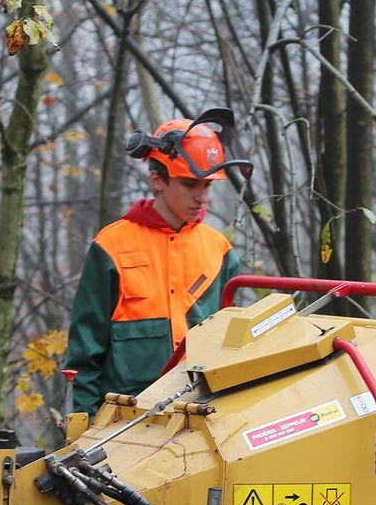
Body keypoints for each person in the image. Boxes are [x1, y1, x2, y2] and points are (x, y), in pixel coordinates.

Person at [63, 110, 251, 415]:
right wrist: (84, 426)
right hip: (123, 419)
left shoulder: (220, 250)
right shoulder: (111, 246)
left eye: (208, 185)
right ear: (157, 179)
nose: (202, 197)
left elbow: (228, 347)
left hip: (198, 414)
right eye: (191, 184)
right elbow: (85, 353)